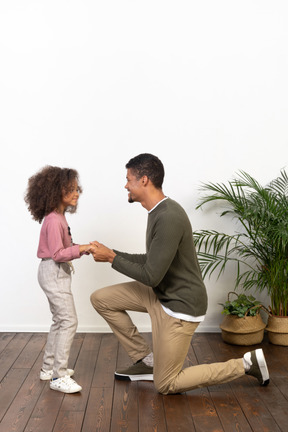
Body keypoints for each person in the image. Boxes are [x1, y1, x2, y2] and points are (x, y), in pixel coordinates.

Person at [89, 153, 269, 395]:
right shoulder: (156, 212)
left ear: (144, 180)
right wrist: (112, 253)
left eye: (128, 179)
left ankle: (246, 365)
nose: (125, 185)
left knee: (166, 384)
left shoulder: (168, 217)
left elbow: (151, 275)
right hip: (161, 294)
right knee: (101, 299)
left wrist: (112, 259)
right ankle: (146, 360)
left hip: (179, 307)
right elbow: (152, 262)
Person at [24, 166, 91, 394]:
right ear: (55, 192)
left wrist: (83, 248)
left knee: (60, 320)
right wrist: (80, 248)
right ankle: (58, 376)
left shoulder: (58, 217)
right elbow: (57, 254)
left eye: (76, 189)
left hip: (53, 272)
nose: (76, 193)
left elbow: (63, 248)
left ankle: (48, 368)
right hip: (53, 271)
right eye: (70, 190)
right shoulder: (53, 220)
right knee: (69, 321)